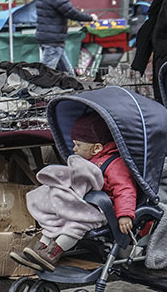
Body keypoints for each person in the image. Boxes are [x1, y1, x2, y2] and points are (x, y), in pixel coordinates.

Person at [10, 112, 137, 271]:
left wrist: (125, 214)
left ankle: (53, 253)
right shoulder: (89, 159)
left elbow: (125, 189)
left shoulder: (114, 165)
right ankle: (40, 249)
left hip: (102, 210)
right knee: (58, 217)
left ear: (96, 148)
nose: (74, 149)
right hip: (83, 204)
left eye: (78, 145)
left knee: (75, 223)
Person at [15, 0, 98, 73]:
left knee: (67, 73)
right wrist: (90, 18)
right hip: (53, 40)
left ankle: (73, 87)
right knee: (45, 73)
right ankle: (32, 89)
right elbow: (71, 12)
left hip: (47, 36)